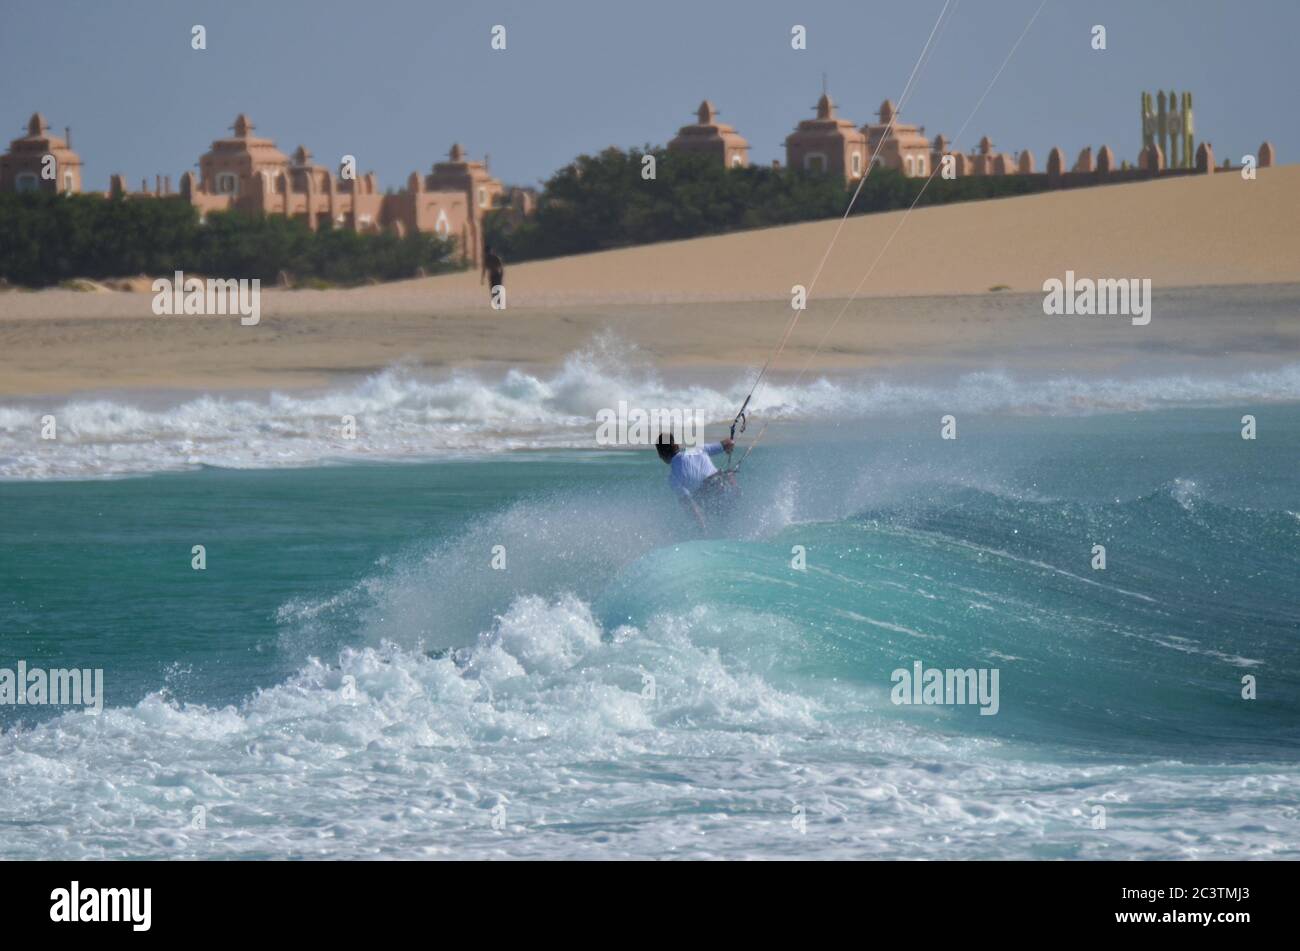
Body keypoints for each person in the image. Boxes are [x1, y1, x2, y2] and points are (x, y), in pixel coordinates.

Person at [656, 433, 737, 529]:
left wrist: (702, 528)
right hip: (725, 486)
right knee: (726, 476)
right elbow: (729, 443)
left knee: (724, 515)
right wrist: (729, 448)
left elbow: (690, 507)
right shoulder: (696, 449)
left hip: (711, 499)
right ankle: (734, 485)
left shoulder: (673, 478)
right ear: (677, 445)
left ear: (661, 456)